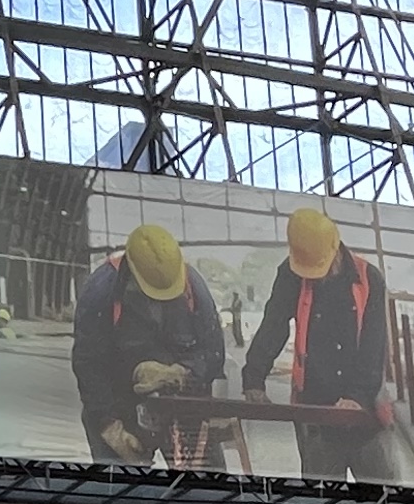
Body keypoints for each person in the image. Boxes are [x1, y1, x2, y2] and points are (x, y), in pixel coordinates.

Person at [246, 204, 396, 482]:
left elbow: (374, 347)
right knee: (321, 498)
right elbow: (273, 325)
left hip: (365, 413)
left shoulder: (368, 278)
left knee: (386, 496)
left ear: (335, 249)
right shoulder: (291, 274)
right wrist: (254, 377)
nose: (316, 275)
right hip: (315, 409)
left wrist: (356, 397)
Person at [70, 220, 229, 464]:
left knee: (205, 480)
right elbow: (88, 363)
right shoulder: (101, 290)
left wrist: (182, 372)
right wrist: (110, 426)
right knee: (120, 482)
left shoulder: (193, 286)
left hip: (181, 404)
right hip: (120, 403)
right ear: (132, 270)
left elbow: (213, 351)